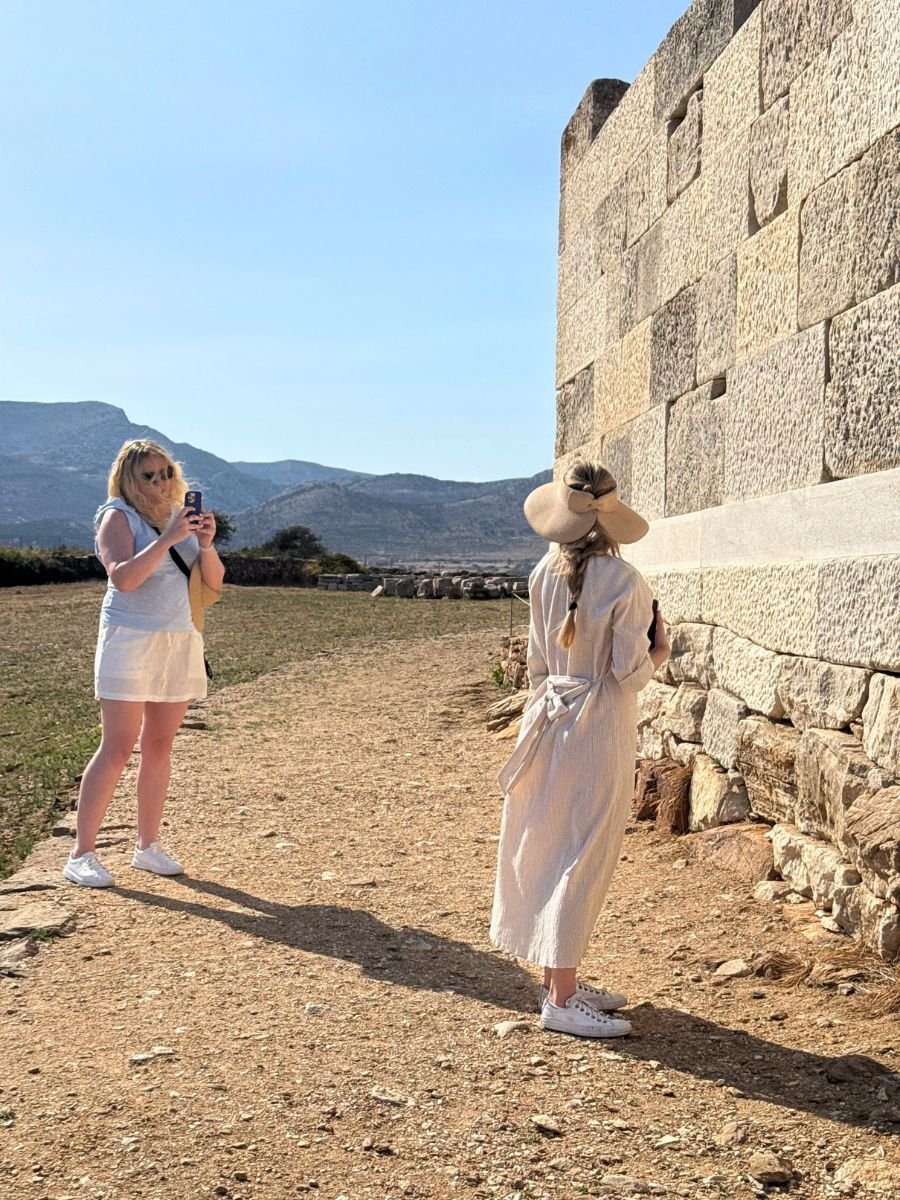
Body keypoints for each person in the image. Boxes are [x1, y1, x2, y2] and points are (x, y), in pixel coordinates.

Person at [490, 461, 670, 1038]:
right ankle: (562, 1000)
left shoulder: (542, 572)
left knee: (548, 843)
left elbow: (539, 666)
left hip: (547, 718)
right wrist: (661, 648)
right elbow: (630, 671)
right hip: (599, 725)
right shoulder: (625, 581)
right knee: (584, 851)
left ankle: (557, 979)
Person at [63, 439, 225, 887]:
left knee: (160, 745)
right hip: (130, 639)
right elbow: (124, 578)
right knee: (117, 746)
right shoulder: (118, 515)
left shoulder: (178, 517)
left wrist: (205, 544)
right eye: (148, 475)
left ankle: (147, 847)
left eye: (165, 472)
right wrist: (171, 538)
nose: (160, 482)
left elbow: (212, 585)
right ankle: (81, 854)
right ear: (128, 480)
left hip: (179, 639)